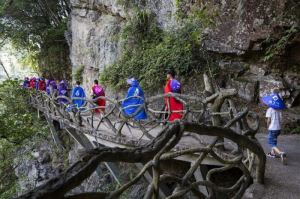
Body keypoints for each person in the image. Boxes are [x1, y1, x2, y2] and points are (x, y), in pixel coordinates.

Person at [262, 92, 287, 165]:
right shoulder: (279, 110)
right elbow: (281, 120)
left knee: (271, 143)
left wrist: (267, 126)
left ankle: (281, 153)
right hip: (278, 129)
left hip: (272, 128)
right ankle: (272, 153)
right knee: (274, 140)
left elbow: (268, 120)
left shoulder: (269, 109)